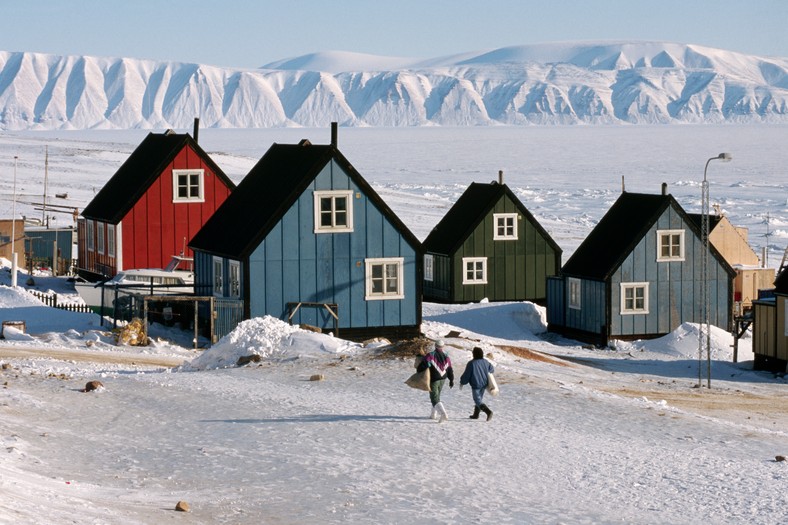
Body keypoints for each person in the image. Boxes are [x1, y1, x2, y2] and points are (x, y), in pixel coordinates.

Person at [416, 339, 454, 423]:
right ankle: (433, 415)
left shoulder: (431, 355)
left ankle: (443, 414)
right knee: (437, 396)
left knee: (434, 397)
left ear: (435, 346)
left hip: (434, 379)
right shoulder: (446, 356)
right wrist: (451, 380)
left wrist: (418, 370)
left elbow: (422, 366)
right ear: (442, 347)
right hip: (443, 379)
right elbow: (450, 369)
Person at [460, 346, 495, 421]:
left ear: (474, 354)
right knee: (479, 399)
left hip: (476, 384)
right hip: (484, 383)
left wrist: (462, 381)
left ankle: (488, 412)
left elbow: (467, 375)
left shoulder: (471, 363)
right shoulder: (485, 362)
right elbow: (492, 369)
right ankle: (476, 414)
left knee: (477, 400)